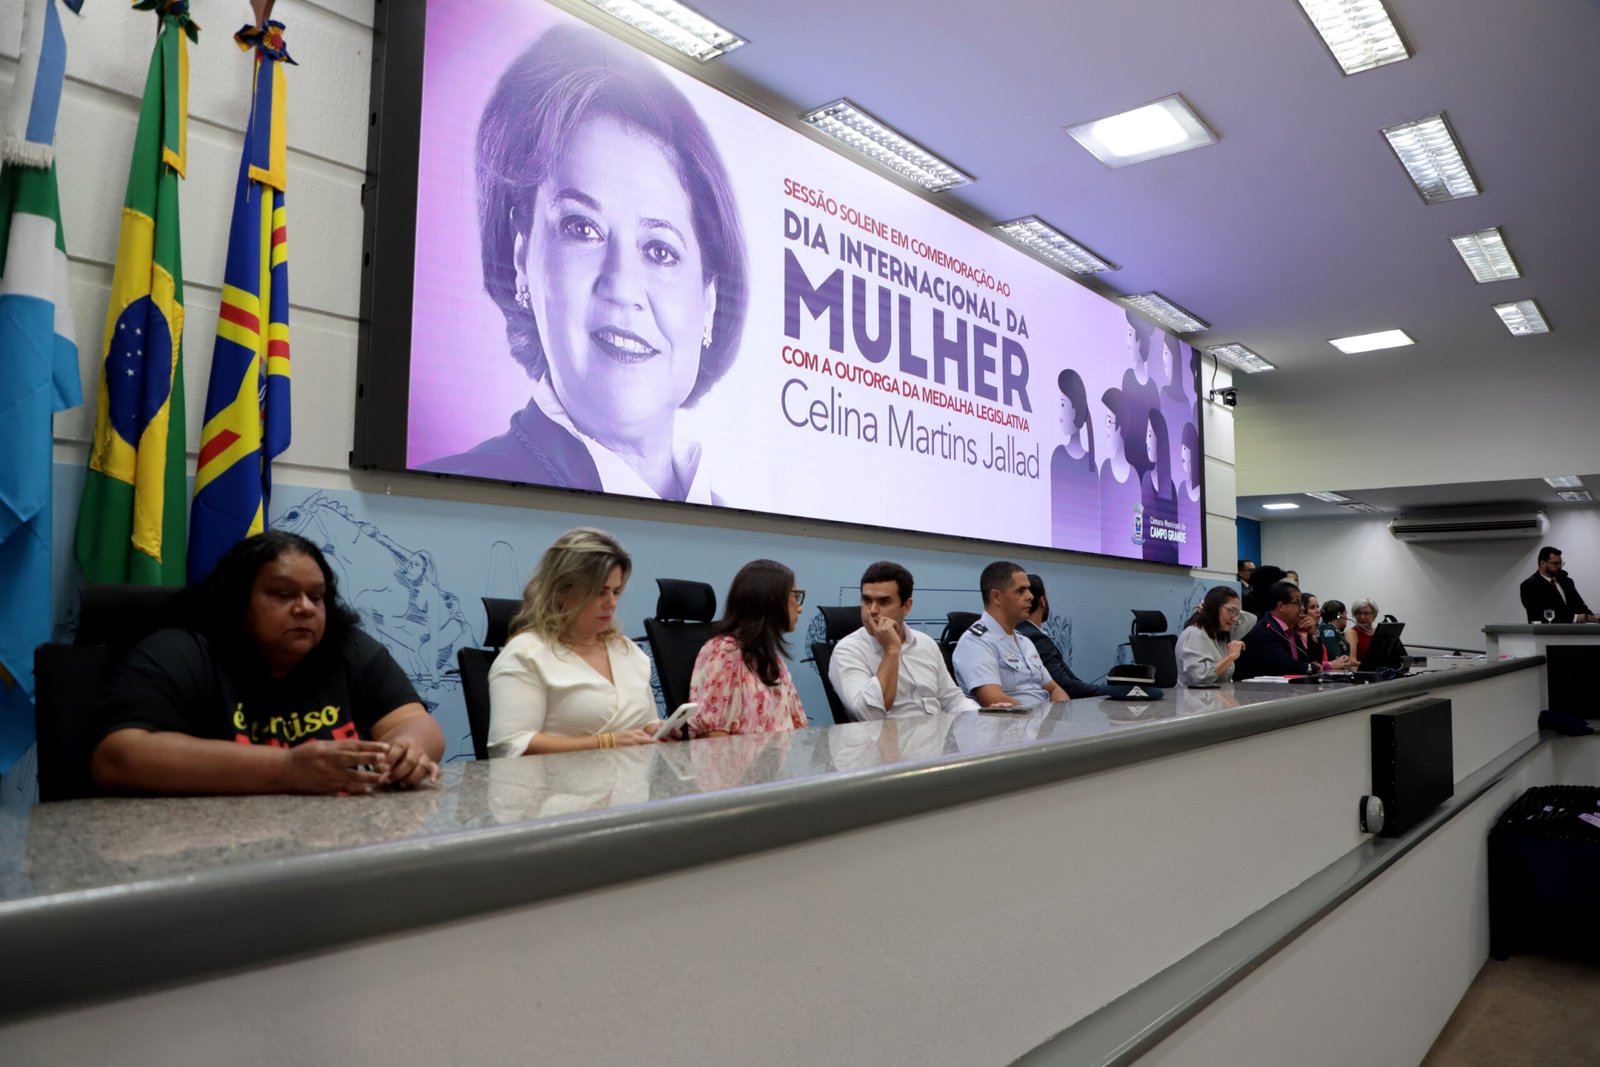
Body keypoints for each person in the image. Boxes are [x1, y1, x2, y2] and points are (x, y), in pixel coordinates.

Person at [424, 23, 748, 503]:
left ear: (708, 299)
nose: (621, 286)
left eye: (660, 250)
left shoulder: (734, 524)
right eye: (582, 229)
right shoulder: (452, 498)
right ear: (521, 257)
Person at [91, 532, 444, 796]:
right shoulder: (182, 651)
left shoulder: (347, 648)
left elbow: (414, 721)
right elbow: (119, 756)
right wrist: (287, 769)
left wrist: (407, 750)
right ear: (236, 602)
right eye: (283, 594)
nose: (305, 607)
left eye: (316, 597)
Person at [487, 528, 664, 757]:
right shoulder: (526, 654)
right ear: (562, 591)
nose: (611, 603)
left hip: (632, 788)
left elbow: (645, 721)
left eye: (616, 591)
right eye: (600, 592)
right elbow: (510, 744)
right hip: (556, 791)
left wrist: (657, 731)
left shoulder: (627, 651)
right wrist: (603, 743)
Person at [828, 561, 978, 720]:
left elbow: (953, 700)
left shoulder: (925, 643)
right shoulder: (847, 650)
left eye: (883, 602)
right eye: (866, 600)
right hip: (888, 741)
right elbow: (869, 715)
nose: (872, 611)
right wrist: (891, 650)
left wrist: (984, 716)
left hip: (936, 738)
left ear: (906, 606)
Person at [687, 560, 809, 737]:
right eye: (795, 596)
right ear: (770, 600)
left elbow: (798, 729)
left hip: (779, 761)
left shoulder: (772, 658)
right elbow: (713, 738)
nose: (801, 608)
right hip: (740, 763)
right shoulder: (725, 652)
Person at [952, 561, 1070, 707]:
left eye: (1029, 590)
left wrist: (1060, 717)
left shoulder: (1025, 642)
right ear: (996, 597)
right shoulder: (976, 643)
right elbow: (995, 700)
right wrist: (1041, 720)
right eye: (1021, 591)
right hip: (1010, 726)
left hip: (1042, 723)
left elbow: (1055, 689)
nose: (1030, 596)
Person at [1016, 574, 1107, 697]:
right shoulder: (1035, 637)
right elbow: (1063, 683)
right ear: (1043, 601)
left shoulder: (1020, 632)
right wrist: (1105, 691)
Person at [1049, 369, 1098, 552]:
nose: (1059, 414)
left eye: (1063, 405)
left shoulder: (1092, 467)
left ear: (1076, 410)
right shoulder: (1058, 456)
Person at [1236, 581, 1325, 679]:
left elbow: (1314, 662)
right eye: (1298, 603)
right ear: (1281, 606)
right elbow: (1284, 665)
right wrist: (1309, 667)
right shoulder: (1265, 630)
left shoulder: (1290, 632)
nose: (1302, 608)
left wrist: (1313, 634)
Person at [1098, 387, 1142, 557]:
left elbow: (1136, 533)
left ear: (1121, 426)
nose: (1106, 430)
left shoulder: (1134, 479)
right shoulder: (1105, 470)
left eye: (1110, 422)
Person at [1177, 585, 1247, 685]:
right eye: (1231, 611)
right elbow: (1200, 678)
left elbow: (1251, 619)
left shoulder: (1219, 634)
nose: (1235, 618)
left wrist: (1209, 607)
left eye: (1237, 613)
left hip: (1215, 697)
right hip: (1194, 698)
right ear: (1215, 607)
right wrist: (1230, 656)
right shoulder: (1194, 634)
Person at [1519, 546, 1596, 624]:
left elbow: (1580, 606)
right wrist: (1575, 618)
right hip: (1547, 634)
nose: (1559, 566)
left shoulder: (1566, 581)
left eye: (1561, 563)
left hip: (1575, 633)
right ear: (1542, 563)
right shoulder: (1529, 586)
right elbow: (1540, 614)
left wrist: (1594, 617)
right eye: (1555, 563)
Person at [1349, 598, 1380, 663]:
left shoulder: (1379, 632)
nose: (1362, 617)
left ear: (1374, 616)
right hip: (1362, 672)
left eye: (1366, 613)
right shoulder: (1351, 633)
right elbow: (1352, 662)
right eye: (1358, 613)